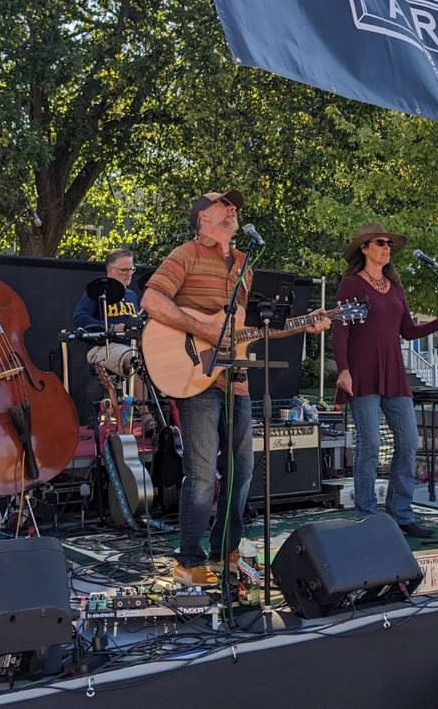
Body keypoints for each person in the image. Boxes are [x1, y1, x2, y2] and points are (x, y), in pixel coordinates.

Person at [141, 190, 329, 585]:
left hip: (237, 380)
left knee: (242, 469)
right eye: (223, 206)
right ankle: (189, 559)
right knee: (204, 472)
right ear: (203, 218)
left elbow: (250, 327)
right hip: (197, 377)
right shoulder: (185, 254)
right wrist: (204, 327)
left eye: (234, 207)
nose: (233, 211)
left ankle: (227, 548)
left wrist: (305, 322)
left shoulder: (244, 263)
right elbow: (152, 301)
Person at [332, 222, 438, 539]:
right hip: (362, 372)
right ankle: (366, 515)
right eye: (380, 242)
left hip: (394, 373)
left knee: (409, 440)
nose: (387, 247)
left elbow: (408, 331)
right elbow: (339, 330)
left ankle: (401, 513)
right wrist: (343, 369)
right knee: (370, 443)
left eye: (389, 243)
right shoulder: (350, 285)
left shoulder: (396, 287)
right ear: (364, 248)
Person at [72, 248, 142, 378]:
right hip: (101, 347)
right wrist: (112, 328)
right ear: (110, 269)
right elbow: (79, 317)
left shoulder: (132, 296)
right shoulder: (97, 291)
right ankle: (136, 399)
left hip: (129, 346)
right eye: (124, 270)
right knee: (134, 360)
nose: (129, 274)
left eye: (131, 269)